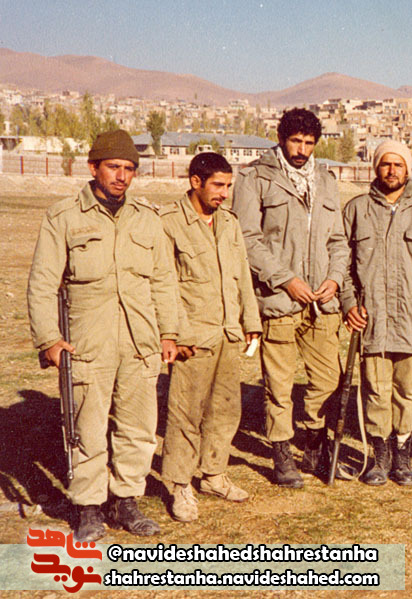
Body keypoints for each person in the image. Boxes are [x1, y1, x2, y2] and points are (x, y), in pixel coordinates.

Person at [27, 130, 178, 542]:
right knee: (87, 427)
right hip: (87, 343)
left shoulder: (148, 218)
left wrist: (169, 332)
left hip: (140, 341)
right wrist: (49, 339)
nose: (122, 176)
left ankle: (126, 500)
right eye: (113, 167)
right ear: (93, 167)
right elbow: (42, 283)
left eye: (129, 169)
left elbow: (164, 280)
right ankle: (89, 506)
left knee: (138, 427)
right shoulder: (64, 217)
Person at [232, 108, 349, 487]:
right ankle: (282, 453)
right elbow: (247, 238)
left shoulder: (326, 181)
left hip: (322, 304)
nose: (302, 150)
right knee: (279, 385)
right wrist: (285, 280)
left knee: (329, 379)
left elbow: (338, 241)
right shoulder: (255, 178)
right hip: (278, 301)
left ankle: (314, 446)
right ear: (281, 139)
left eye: (309, 143)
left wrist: (334, 279)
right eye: (295, 141)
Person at [158, 153, 262, 522]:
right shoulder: (169, 223)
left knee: (225, 409)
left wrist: (251, 320)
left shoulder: (229, 223)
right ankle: (180, 483)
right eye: (218, 185)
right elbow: (165, 284)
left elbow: (242, 276)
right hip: (193, 337)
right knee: (185, 412)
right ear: (195, 182)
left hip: (227, 333)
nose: (224, 193)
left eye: (229, 186)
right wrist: (173, 334)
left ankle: (214, 474)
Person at [342, 140, 412, 487]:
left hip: (411, 319)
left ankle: (402, 455)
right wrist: (349, 304)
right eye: (385, 164)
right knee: (375, 389)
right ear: (376, 168)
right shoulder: (356, 209)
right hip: (371, 318)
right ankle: (379, 456)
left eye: (398, 164)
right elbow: (343, 267)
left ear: (408, 170)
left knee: (407, 391)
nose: (391, 170)